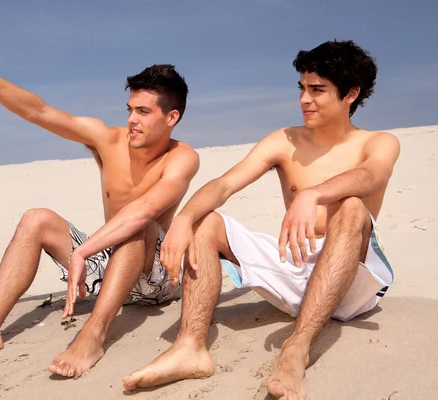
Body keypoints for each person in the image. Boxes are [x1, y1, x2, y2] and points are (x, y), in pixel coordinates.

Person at [123, 40, 400, 400]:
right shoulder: (285, 140)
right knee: (207, 222)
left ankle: (296, 349)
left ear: (351, 94)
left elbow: (370, 177)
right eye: (302, 88)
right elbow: (224, 184)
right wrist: (184, 219)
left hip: (348, 285)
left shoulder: (379, 142)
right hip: (294, 268)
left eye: (317, 90)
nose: (304, 99)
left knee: (350, 207)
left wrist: (313, 193)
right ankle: (189, 347)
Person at [0, 56, 199, 378]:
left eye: (143, 112)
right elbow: (38, 111)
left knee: (138, 225)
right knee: (36, 218)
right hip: (106, 265)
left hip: (155, 279)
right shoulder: (108, 140)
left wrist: (83, 251)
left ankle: (92, 336)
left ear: (171, 117)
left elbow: (146, 210)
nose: (131, 119)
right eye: (129, 109)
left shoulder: (182, 157)